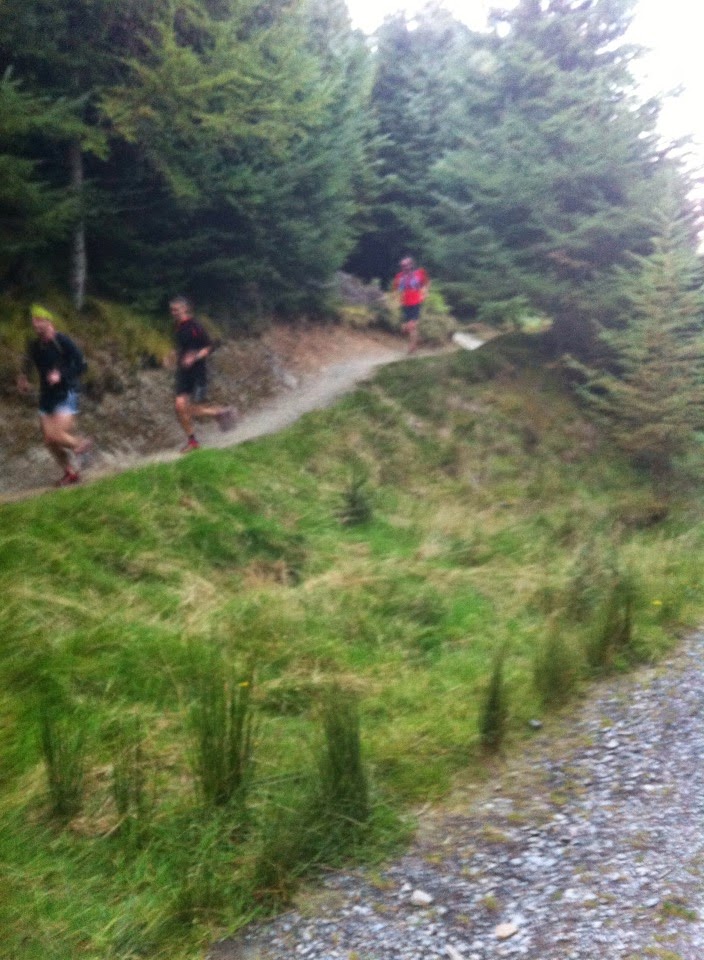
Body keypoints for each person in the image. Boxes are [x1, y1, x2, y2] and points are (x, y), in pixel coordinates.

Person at [17, 304, 92, 486]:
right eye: (33, 321)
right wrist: (24, 378)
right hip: (47, 396)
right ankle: (70, 473)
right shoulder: (35, 345)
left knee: (57, 434)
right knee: (49, 441)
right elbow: (28, 362)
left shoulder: (63, 341)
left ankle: (81, 446)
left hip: (67, 392)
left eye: (39, 320)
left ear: (48, 321)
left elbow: (82, 365)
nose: (35, 324)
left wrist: (61, 375)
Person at [170, 296, 237, 452]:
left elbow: (209, 347)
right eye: (172, 310)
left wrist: (194, 357)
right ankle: (193, 441)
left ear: (185, 308)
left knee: (187, 407)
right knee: (179, 406)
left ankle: (219, 412)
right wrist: (173, 355)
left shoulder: (195, 326)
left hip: (197, 372)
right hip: (183, 372)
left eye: (176, 309)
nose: (173, 313)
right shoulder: (177, 327)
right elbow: (184, 347)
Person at [392, 256, 430, 354]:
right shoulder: (399, 276)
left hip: (416, 302)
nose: (404, 267)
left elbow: (426, 283)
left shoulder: (419, 273)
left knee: (411, 326)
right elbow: (396, 289)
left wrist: (425, 293)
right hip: (405, 304)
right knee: (405, 328)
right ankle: (417, 340)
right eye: (402, 266)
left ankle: (412, 347)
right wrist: (395, 299)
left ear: (411, 265)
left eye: (406, 265)